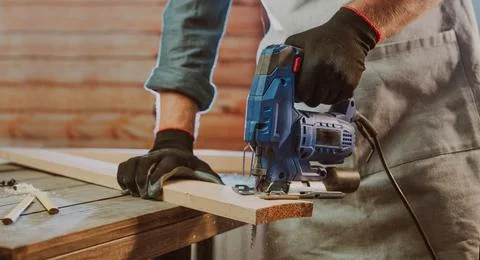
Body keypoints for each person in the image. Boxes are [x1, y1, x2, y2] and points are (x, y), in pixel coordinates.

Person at [117, 0, 480, 259]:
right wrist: (173, 136)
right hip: (298, 109)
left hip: (425, 110)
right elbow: (193, 12)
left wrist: (360, 25)